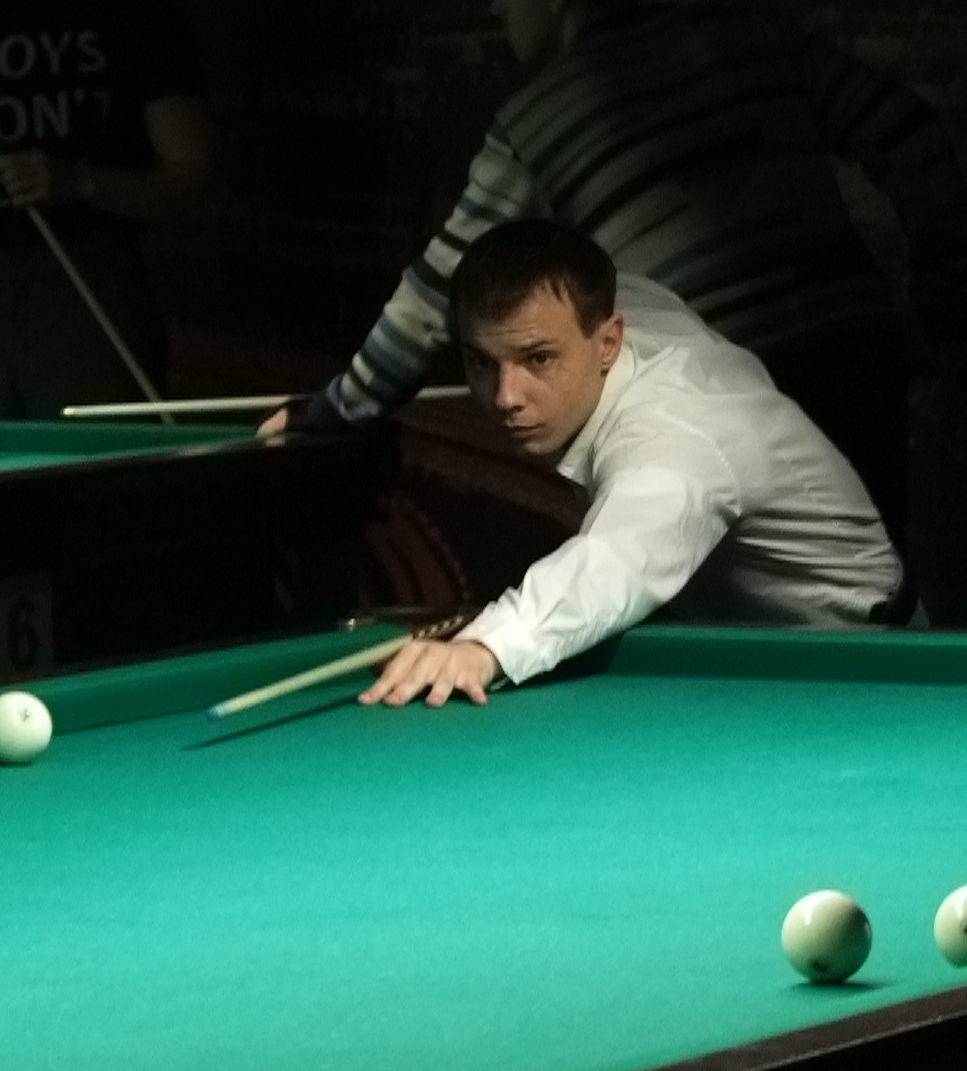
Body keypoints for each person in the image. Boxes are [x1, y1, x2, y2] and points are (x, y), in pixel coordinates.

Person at [264, 0, 967, 552]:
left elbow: (436, 295)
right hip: (855, 357)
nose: (497, 14)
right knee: (857, 587)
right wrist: (947, 297)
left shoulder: (538, 120)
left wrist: (333, 412)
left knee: (727, 620)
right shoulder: (750, 35)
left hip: (715, 394)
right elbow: (911, 134)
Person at [362, 221, 909, 709]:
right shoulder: (606, 299)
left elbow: (616, 560)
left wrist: (486, 646)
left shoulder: (675, 440)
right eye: (482, 361)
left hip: (867, 662)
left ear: (609, 342)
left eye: (538, 358)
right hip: (738, 652)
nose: (506, 396)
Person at [0, 1, 213, 418]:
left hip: (89, 283)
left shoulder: (134, 12)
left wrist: (80, 182)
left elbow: (195, 176)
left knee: (95, 454)